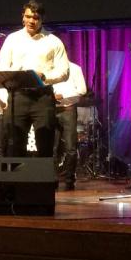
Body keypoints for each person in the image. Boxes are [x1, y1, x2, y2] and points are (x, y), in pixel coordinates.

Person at [0, 0, 69, 158]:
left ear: (42, 19)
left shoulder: (53, 41)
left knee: (45, 145)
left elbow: (64, 71)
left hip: (42, 97)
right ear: (23, 16)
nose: (31, 21)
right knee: (15, 145)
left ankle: (45, 183)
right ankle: (16, 182)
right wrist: (15, 76)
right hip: (18, 96)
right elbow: (1, 67)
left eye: (35, 18)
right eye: (28, 16)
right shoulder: (12, 39)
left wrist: (45, 76)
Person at [53, 61, 87, 191]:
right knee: (52, 148)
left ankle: (69, 179)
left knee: (70, 147)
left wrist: (63, 95)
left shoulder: (74, 68)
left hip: (68, 109)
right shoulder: (50, 68)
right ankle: (52, 179)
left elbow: (82, 90)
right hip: (52, 109)